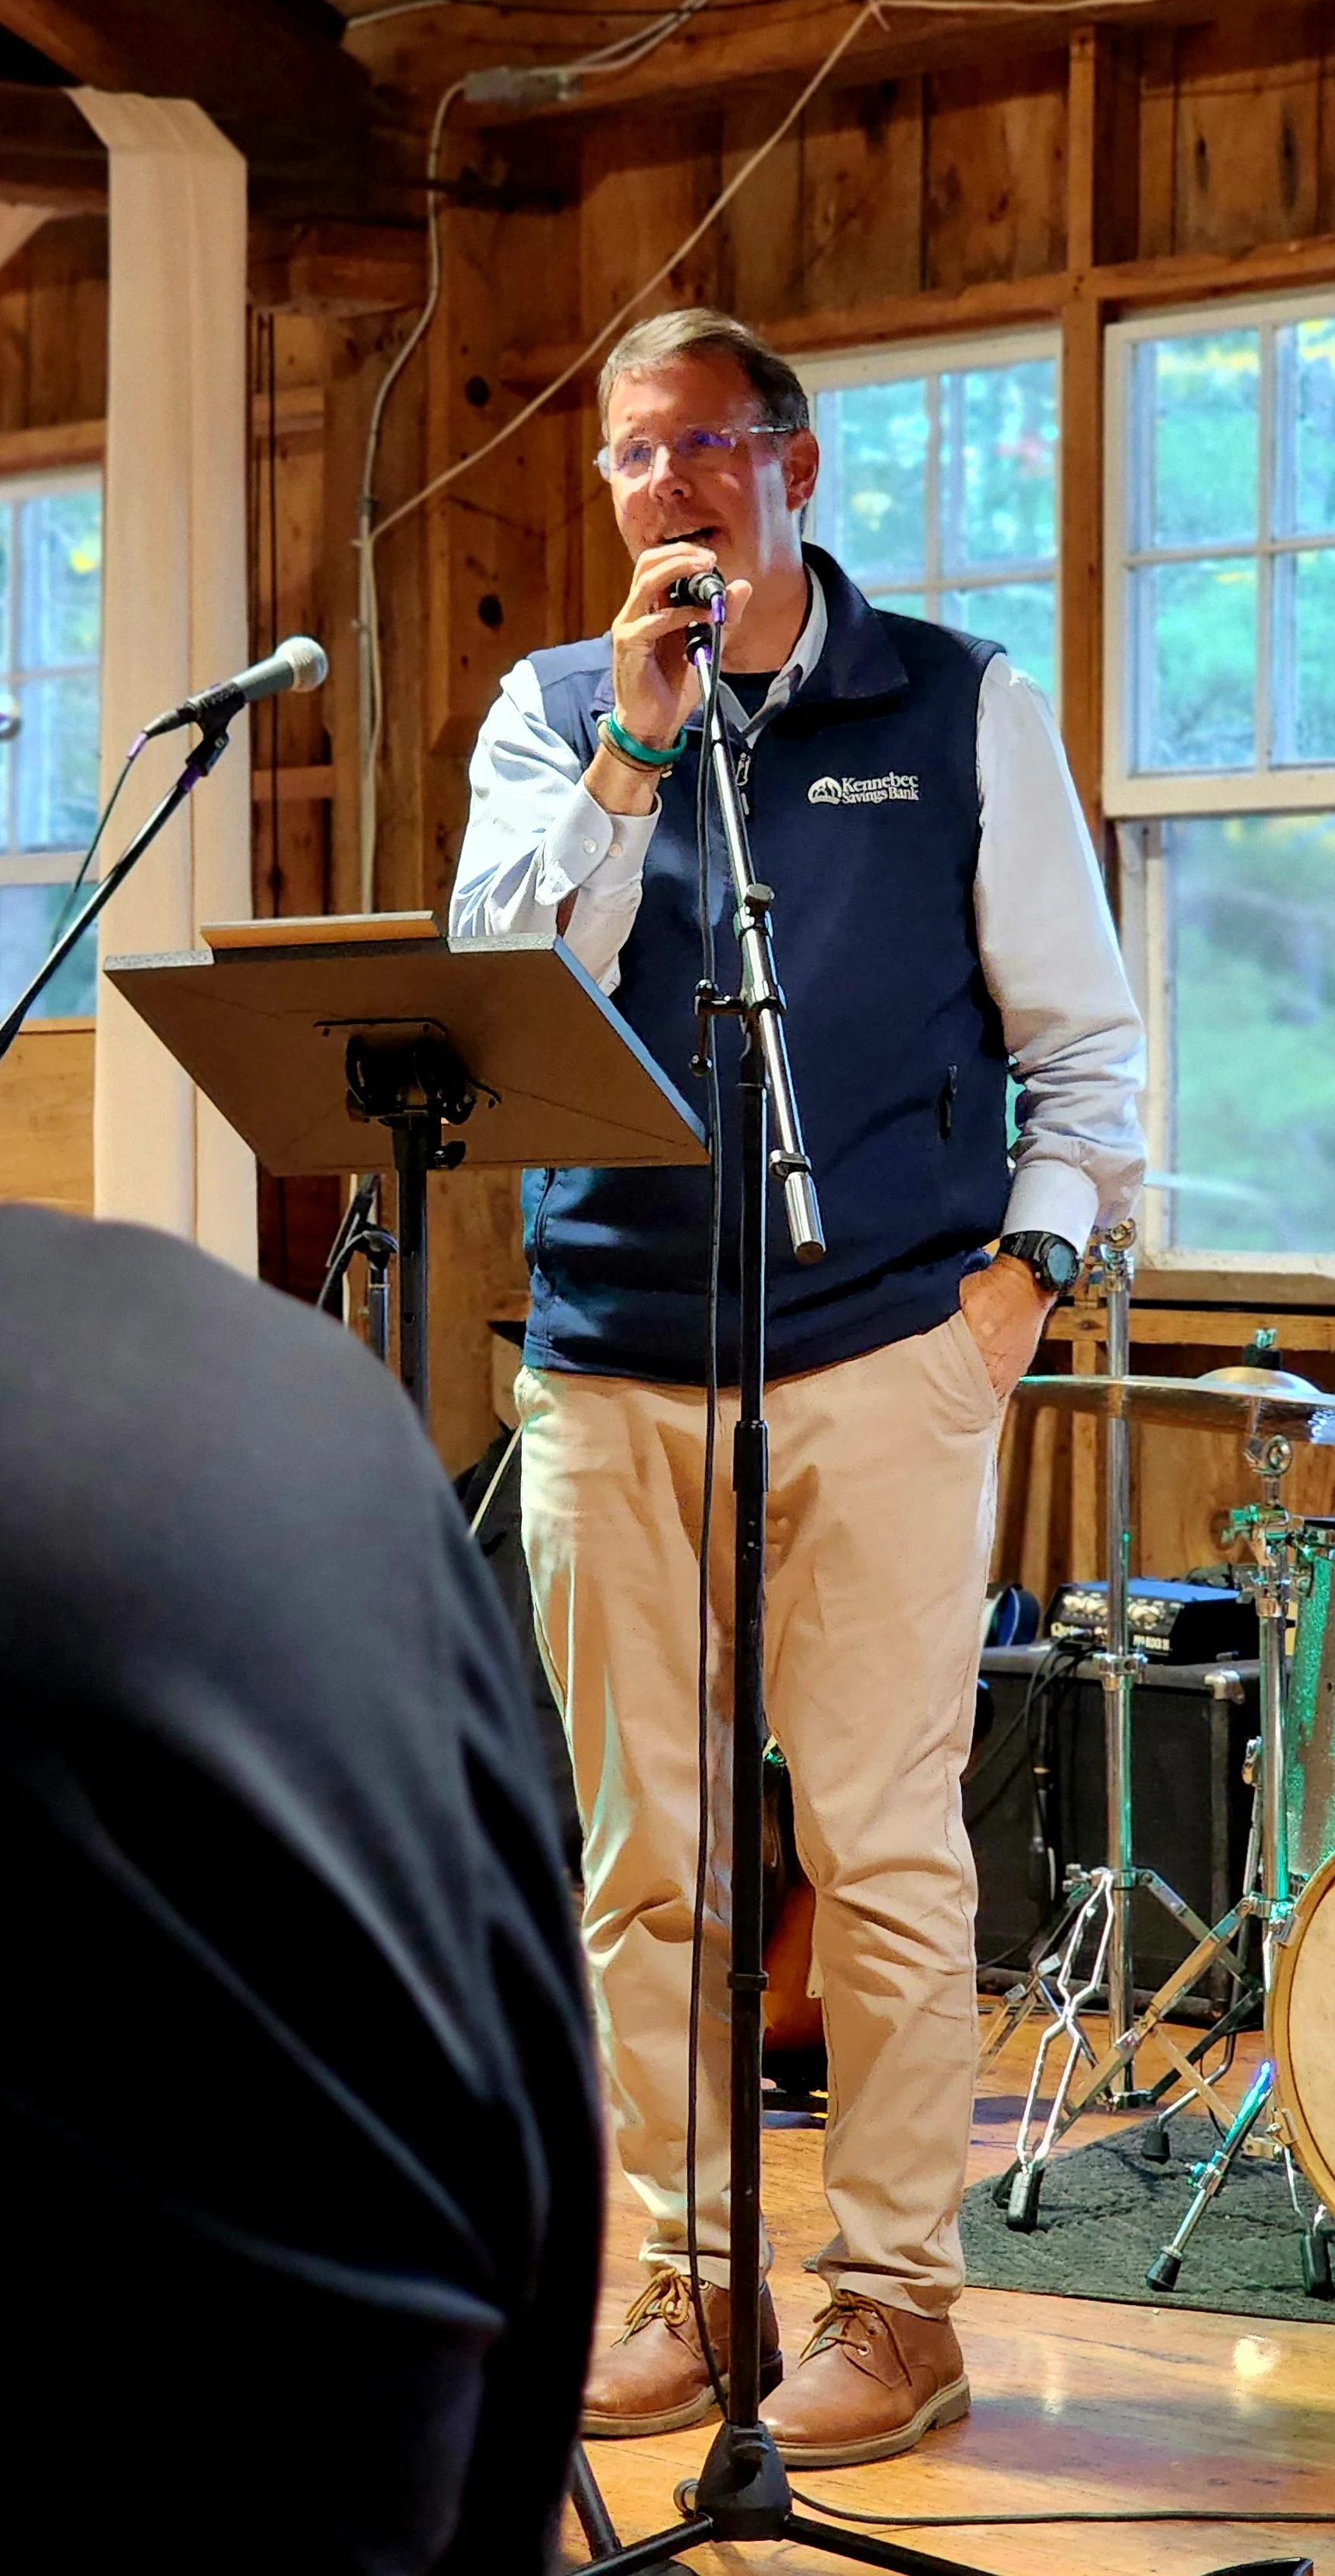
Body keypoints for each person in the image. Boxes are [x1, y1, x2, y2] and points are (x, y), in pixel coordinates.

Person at [451, 306, 1144, 2466]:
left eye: (701, 447)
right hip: (608, 1366)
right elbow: (488, 992)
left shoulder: (950, 703)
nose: (664, 487)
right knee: (640, 1865)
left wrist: (1019, 1284)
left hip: (882, 1357)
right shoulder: (553, 711)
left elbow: (1088, 1047)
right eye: (628, 456)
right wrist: (633, 757)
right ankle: (682, 2279)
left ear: (793, 460)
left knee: (877, 1846)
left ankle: (897, 2304)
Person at [0, 1187, 599, 2574]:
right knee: (633, 1867)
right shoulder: (279, 1379)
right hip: (376, 2444)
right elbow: (527, 2061)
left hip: (846, 1341)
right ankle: (687, 2296)